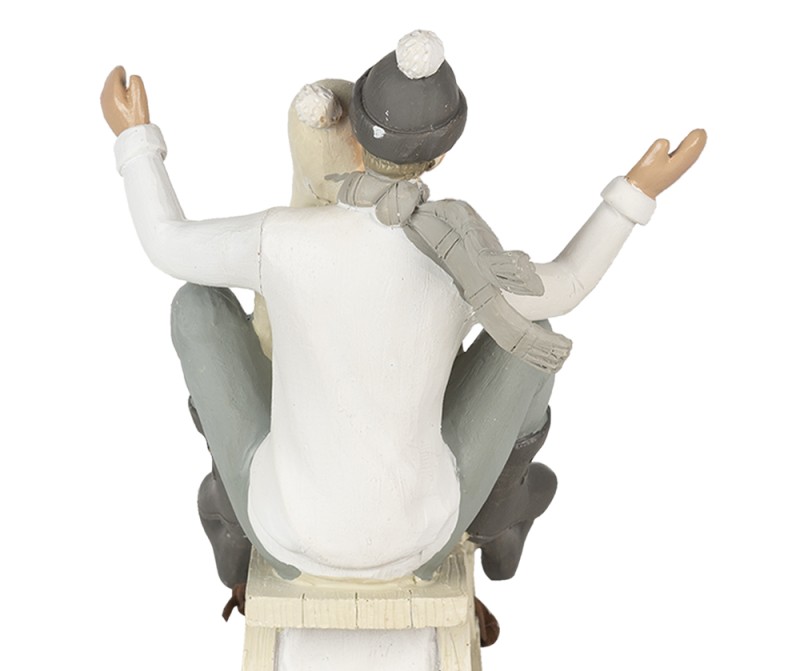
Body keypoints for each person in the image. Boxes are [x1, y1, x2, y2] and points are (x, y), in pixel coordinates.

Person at [102, 31, 705, 602]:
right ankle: (501, 512)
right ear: (439, 158)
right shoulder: (457, 255)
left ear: (355, 140)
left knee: (197, 303)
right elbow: (569, 284)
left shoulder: (279, 238)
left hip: (284, 532)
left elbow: (165, 243)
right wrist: (634, 193)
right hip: (420, 541)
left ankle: (230, 510)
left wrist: (136, 138)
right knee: (530, 338)